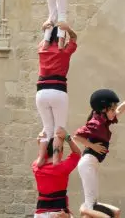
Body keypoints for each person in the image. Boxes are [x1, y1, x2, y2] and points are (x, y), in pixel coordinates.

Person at [73, 86, 125, 218]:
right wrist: (92, 146)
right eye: (111, 109)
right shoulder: (96, 123)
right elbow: (76, 136)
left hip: (92, 164)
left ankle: (85, 209)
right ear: (103, 110)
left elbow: (120, 109)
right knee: (90, 205)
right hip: (88, 163)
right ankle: (83, 209)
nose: (114, 112)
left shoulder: (104, 121)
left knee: (94, 203)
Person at [36, 24, 79, 166]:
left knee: (47, 128)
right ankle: (55, 161)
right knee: (59, 129)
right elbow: (74, 38)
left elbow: (43, 40)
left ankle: (41, 158)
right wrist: (67, 28)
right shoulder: (64, 51)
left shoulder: (42, 48)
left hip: (41, 92)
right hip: (58, 91)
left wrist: (46, 27)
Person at [32, 129, 82, 218]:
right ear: (60, 151)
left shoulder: (36, 167)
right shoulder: (62, 168)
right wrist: (67, 137)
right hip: (59, 213)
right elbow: (77, 153)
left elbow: (42, 156)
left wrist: (41, 143)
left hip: (40, 214)